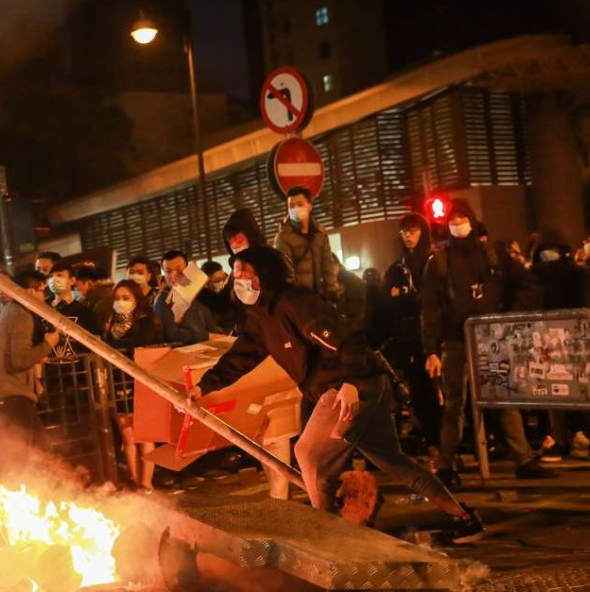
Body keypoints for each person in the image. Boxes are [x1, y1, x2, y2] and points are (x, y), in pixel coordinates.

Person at [188, 247, 484, 543]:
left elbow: (344, 338)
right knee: (394, 461)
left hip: (350, 385)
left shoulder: (295, 301)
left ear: (264, 274)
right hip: (358, 384)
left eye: (243, 271)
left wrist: (351, 383)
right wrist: (204, 386)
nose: (236, 278)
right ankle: (464, 518)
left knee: (309, 454)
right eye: (235, 271)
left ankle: (330, 540)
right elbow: (241, 356)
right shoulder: (259, 316)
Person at [422, 199, 555, 483]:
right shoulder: (440, 262)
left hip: (493, 339)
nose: (457, 224)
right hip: (455, 341)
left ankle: (523, 458)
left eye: (462, 218)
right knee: (454, 404)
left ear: (472, 220)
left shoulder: (493, 255)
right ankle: (447, 465)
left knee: (504, 397)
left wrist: (509, 318)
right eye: (453, 219)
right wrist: (430, 350)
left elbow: (527, 284)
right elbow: (430, 310)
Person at [381, 213, 442, 468]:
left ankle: (446, 448)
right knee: (421, 396)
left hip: (437, 339)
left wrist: (405, 298)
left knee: (444, 396)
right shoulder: (397, 268)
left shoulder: (435, 262)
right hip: (410, 342)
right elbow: (389, 304)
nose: (408, 235)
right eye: (405, 231)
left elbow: (434, 302)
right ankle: (434, 448)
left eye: (413, 230)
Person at [529, 231, 590, 461]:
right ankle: (563, 437)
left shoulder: (575, 275)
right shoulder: (543, 276)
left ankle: (569, 436)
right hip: (550, 341)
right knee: (557, 391)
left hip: (569, 340)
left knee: (571, 390)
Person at [0, 271, 59, 446]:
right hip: (13, 397)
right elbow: (20, 360)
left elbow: (12, 355)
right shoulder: (20, 315)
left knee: (40, 452)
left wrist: (36, 357)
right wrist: (48, 344)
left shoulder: (11, 312)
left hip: (8, 395)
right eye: (41, 290)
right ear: (30, 291)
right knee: (27, 456)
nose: (43, 296)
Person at [105, 280, 163, 492]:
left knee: (144, 435)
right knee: (128, 436)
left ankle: (146, 483)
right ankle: (135, 480)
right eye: (117, 298)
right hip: (118, 382)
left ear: (136, 299)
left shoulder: (146, 322)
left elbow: (141, 346)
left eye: (126, 298)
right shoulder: (111, 324)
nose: (120, 302)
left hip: (141, 383)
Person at [273, 187, 338, 299]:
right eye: (291, 206)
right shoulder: (283, 237)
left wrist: (332, 291)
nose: (295, 208)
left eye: (300, 204)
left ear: (309, 206)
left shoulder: (320, 232)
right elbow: (284, 274)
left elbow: (327, 264)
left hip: (319, 295)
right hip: (298, 300)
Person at [153, 250, 222, 345]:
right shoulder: (163, 300)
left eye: (179, 271)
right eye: (168, 271)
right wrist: (206, 336)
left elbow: (212, 326)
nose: (174, 275)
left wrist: (223, 335)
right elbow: (171, 333)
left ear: (188, 270)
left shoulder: (199, 294)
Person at [47, 261, 100, 337]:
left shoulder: (85, 313)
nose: (54, 279)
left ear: (72, 280)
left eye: (59, 275)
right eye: (51, 276)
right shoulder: (41, 306)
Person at [75, 266, 115, 330]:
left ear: (89, 283)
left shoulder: (96, 299)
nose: (77, 289)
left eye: (77, 285)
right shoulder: (108, 292)